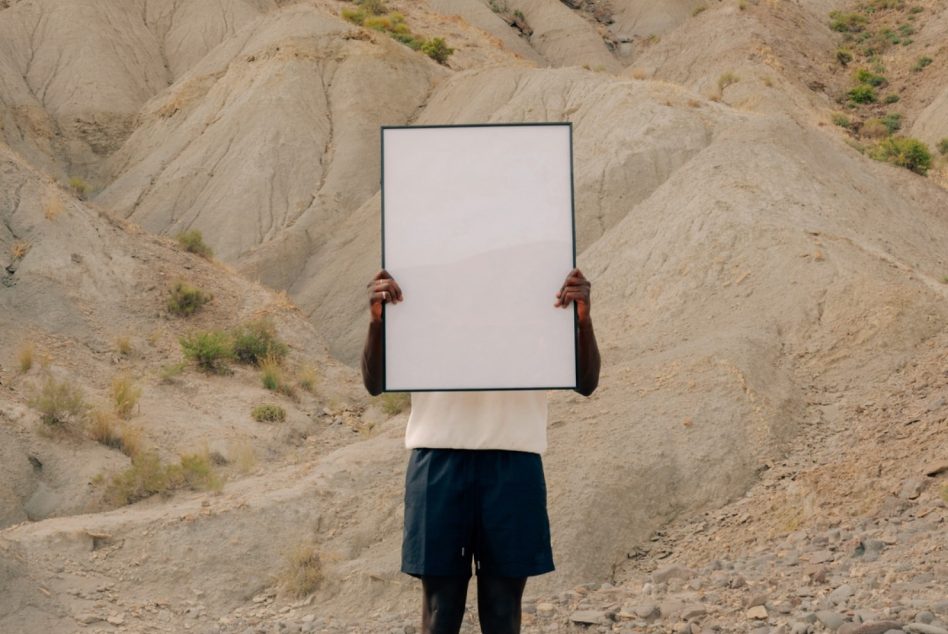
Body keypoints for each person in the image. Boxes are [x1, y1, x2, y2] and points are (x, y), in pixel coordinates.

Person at [361, 268, 601, 634]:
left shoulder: (537, 287)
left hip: (513, 458)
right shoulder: (423, 289)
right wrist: (377, 322)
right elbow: (374, 384)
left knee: (503, 610)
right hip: (439, 458)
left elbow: (586, 383)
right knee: (440, 609)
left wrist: (583, 321)